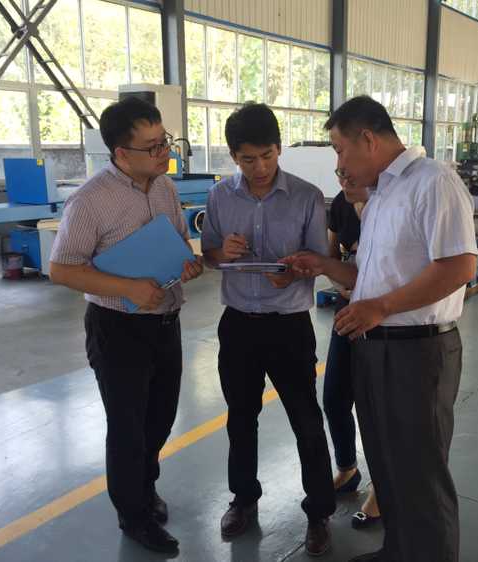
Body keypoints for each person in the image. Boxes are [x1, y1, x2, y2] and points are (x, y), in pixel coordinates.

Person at [283, 96, 478, 562]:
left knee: (420, 473)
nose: (338, 163)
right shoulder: (381, 195)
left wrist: (381, 307)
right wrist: (322, 265)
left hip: (417, 352)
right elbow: (371, 277)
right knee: (388, 465)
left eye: (339, 149)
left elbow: (459, 266)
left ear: (368, 139)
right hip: (376, 348)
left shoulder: (433, 181)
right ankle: (399, 550)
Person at [49, 96, 203, 554]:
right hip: (117, 328)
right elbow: (62, 269)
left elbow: (178, 242)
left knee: (159, 418)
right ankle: (133, 515)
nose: (164, 153)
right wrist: (128, 287)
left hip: (165, 322)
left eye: (164, 142)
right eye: (152, 147)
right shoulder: (90, 201)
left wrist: (187, 263)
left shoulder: (165, 187)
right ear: (120, 153)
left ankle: (145, 486)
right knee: (127, 427)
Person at [201, 103, 336, 556]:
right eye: (247, 159)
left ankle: (319, 512)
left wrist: (294, 272)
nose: (258, 167)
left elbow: (319, 260)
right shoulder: (220, 196)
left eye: (266, 156)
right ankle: (243, 499)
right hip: (238, 324)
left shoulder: (307, 196)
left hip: (289, 326)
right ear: (233, 156)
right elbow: (209, 256)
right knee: (241, 418)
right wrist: (222, 252)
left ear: (279, 149)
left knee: (306, 419)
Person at [323, 178, 382, 530]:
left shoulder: (390, 205)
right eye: (339, 169)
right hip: (346, 314)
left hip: (383, 322)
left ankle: (382, 487)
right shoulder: (341, 205)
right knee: (334, 397)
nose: (343, 177)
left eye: (348, 169)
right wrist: (339, 283)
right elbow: (332, 255)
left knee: (377, 409)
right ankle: (347, 469)